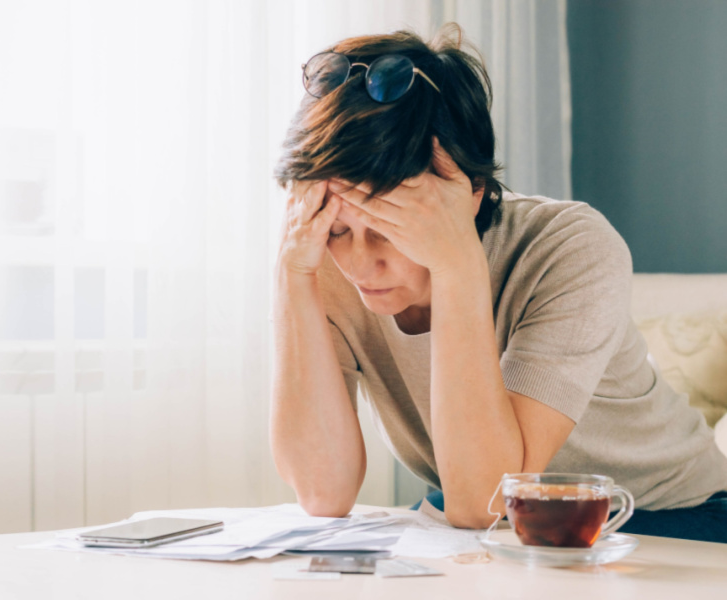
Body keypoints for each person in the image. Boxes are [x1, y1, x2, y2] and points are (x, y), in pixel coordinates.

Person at [269, 24, 727, 542]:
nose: (357, 263)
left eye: (388, 229)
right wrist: (293, 270)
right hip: (488, 508)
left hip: (667, 516)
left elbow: (488, 499)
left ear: (471, 192)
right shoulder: (321, 262)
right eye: (336, 229)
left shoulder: (571, 247)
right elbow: (322, 492)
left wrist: (457, 266)